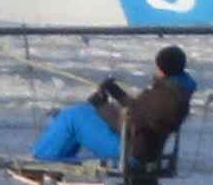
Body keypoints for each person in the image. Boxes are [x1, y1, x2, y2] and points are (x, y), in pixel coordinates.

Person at [30, 44, 197, 166]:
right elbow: (139, 110)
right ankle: (56, 156)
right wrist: (115, 91)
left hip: (132, 153)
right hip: (145, 149)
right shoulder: (176, 91)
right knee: (85, 112)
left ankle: (42, 160)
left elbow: (126, 123)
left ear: (163, 70)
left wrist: (101, 105)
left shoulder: (163, 96)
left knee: (72, 117)